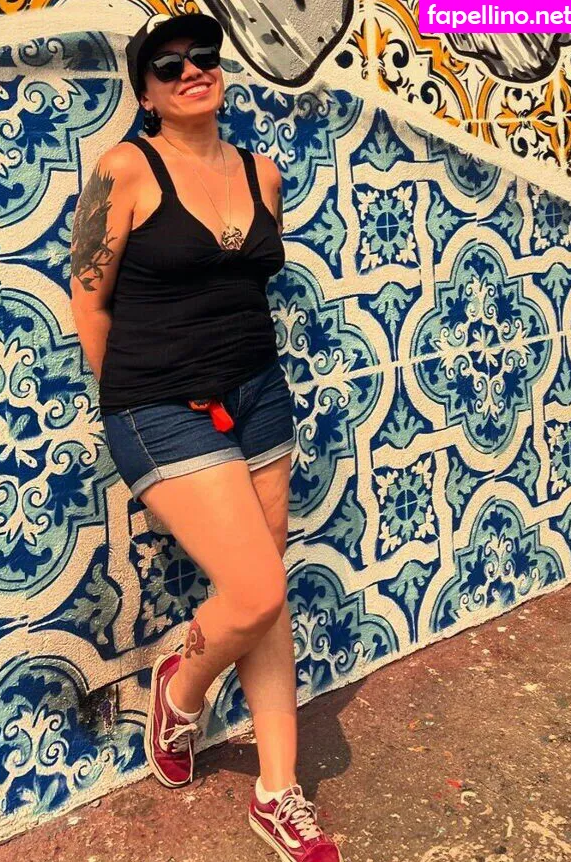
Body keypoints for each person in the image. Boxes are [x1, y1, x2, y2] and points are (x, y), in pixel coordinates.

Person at [70, 11, 341, 862]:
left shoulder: (263, 174)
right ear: (146, 94)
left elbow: (244, 285)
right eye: (168, 65)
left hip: (259, 394)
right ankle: (179, 690)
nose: (192, 70)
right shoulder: (125, 169)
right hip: (159, 405)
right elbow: (89, 300)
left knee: (266, 596)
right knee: (254, 591)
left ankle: (277, 790)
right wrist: (137, 390)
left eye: (203, 57)